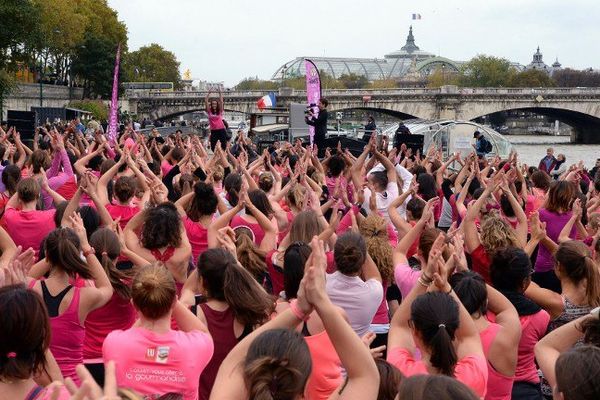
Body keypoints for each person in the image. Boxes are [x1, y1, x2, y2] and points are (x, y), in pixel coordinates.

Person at [209, 237, 379, 400]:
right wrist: (320, 300)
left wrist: (299, 309)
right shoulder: (340, 313)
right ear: (306, 389)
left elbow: (233, 361)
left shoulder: (272, 312)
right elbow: (364, 375)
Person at [103, 263, 213, 400]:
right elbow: (203, 332)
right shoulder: (195, 346)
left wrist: (149, 306)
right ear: (174, 302)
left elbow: (129, 338)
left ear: (134, 304)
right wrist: (171, 301)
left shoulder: (114, 343)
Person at [181, 247, 273, 400]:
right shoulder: (250, 313)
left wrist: (213, 262)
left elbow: (187, 290)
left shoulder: (194, 314)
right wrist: (233, 263)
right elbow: (267, 302)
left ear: (202, 281)